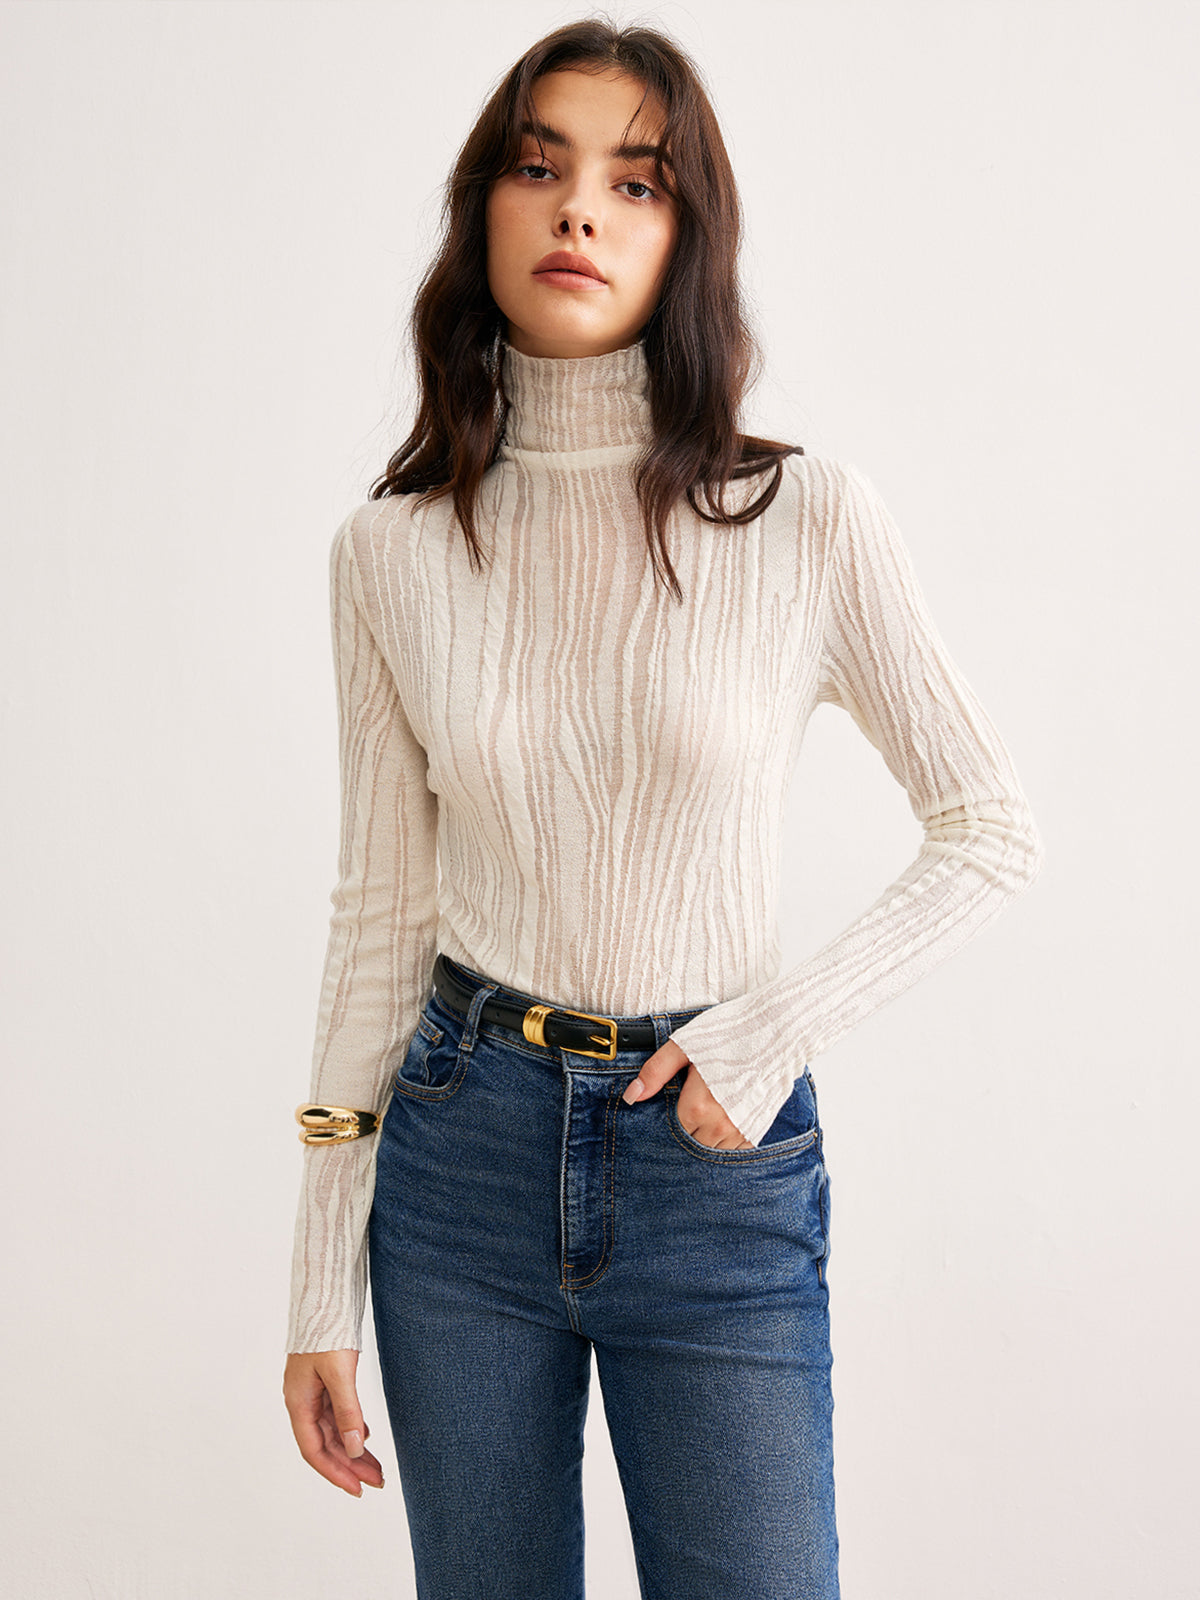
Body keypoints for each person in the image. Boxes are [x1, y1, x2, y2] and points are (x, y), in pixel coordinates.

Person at [282, 18, 1044, 1600]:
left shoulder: (803, 518)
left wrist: (768, 1037)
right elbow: (379, 919)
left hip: (714, 1162)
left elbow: (988, 828)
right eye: (540, 167)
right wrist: (314, 1286)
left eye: (636, 182)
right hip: (460, 1161)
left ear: (688, 238)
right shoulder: (390, 554)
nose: (580, 209)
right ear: (483, 209)